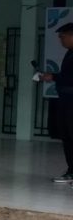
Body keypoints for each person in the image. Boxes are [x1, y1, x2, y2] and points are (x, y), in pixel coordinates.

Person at [40, 21, 73, 182]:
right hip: (66, 101)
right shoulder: (69, 52)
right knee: (67, 136)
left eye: (63, 36)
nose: (61, 40)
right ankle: (71, 170)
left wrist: (53, 77)